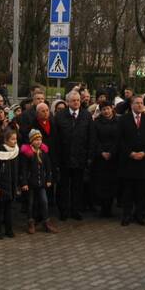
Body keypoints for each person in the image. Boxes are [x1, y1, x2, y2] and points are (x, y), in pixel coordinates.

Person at [52, 90, 91, 221]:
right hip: (64, 158)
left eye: (78, 100)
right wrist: (56, 159)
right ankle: (64, 210)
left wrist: (88, 156)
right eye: (73, 100)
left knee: (77, 186)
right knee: (63, 186)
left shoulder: (86, 115)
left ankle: (75, 210)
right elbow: (55, 139)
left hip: (80, 158)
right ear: (67, 102)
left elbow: (90, 137)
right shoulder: (60, 116)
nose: (76, 103)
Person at [117, 94, 145, 226]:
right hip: (128, 161)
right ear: (132, 105)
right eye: (137, 103)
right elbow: (120, 140)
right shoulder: (123, 120)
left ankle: (141, 215)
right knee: (128, 191)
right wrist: (130, 153)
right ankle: (127, 215)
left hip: (144, 161)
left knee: (142, 192)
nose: (139, 105)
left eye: (141, 103)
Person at [19, 129, 56, 234]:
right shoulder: (27, 153)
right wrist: (24, 182)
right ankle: (31, 222)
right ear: (31, 141)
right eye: (36, 140)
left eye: (40, 139)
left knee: (44, 201)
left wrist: (49, 179)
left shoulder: (43, 152)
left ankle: (46, 222)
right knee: (30, 203)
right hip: (30, 183)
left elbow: (48, 167)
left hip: (42, 183)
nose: (38, 142)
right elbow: (24, 169)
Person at [89, 100, 120, 218]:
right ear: (100, 111)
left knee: (112, 183)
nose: (106, 111)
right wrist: (101, 152)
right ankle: (103, 208)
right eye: (103, 109)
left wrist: (111, 152)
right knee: (101, 183)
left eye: (107, 108)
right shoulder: (96, 122)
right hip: (100, 157)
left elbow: (119, 139)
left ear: (112, 108)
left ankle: (110, 208)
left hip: (114, 157)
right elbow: (94, 139)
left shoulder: (118, 121)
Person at [0, 128, 20, 238]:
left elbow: (17, 170)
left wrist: (17, 185)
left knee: (9, 210)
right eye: (12, 139)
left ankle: (9, 230)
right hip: (1, 186)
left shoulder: (15, 151)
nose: (15, 141)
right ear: (5, 140)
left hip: (11, 185)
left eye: (15, 139)